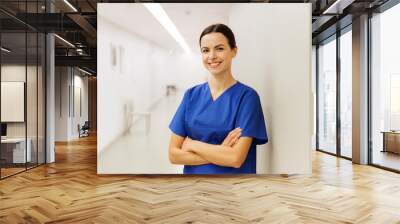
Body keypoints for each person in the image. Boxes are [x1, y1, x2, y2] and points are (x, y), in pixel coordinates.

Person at [168, 23, 268, 174]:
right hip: (194, 188)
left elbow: (235, 158)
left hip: (234, 191)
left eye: (219, 48)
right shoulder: (191, 95)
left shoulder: (247, 98)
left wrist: (193, 145)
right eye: (205, 50)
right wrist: (221, 151)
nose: (212, 56)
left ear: (234, 51)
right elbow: (173, 155)